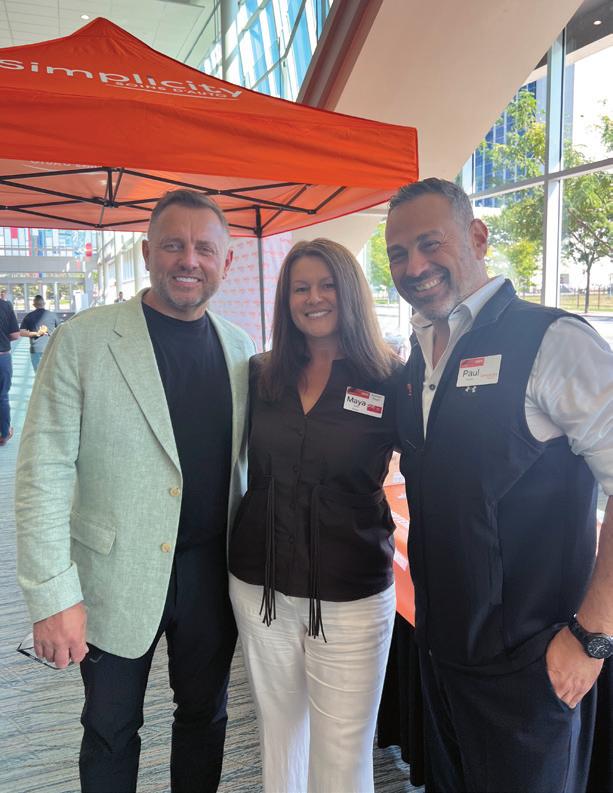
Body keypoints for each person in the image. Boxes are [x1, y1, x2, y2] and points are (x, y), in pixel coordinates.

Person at [15, 189, 255, 793]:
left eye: (205, 249)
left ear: (226, 262)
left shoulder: (240, 348)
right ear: (147, 253)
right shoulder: (85, 340)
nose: (189, 260)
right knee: (110, 729)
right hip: (113, 575)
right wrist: (52, 596)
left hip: (211, 574)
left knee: (205, 717)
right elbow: (42, 474)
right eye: (173, 245)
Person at [385, 177, 613, 793]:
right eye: (398, 254)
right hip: (443, 650)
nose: (414, 266)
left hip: (531, 663)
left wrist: (592, 637)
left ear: (478, 236)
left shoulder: (552, 340)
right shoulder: (421, 354)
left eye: (430, 243)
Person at [229, 238, 401, 793]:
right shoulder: (260, 375)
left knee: (343, 755)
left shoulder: (389, 379)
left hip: (350, 592)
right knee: (279, 738)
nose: (314, 298)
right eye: (300, 288)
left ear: (351, 292)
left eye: (327, 285)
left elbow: (437, 472)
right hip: (260, 584)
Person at [20, 294, 60, 371]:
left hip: (36, 349)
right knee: (51, 374)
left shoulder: (29, 316)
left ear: (34, 305)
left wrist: (36, 333)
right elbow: (60, 329)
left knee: (38, 375)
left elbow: (21, 332)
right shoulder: (53, 315)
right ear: (44, 304)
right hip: (50, 348)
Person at [0, 295, 19, 446]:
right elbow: (15, 335)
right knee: (2, 397)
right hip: (2, 357)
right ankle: (4, 434)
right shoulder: (6, 306)